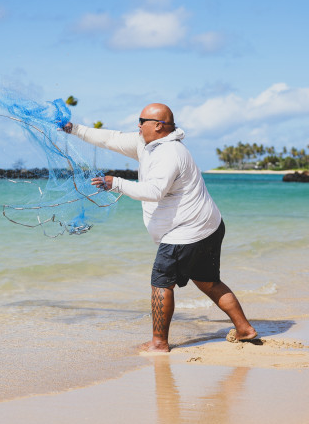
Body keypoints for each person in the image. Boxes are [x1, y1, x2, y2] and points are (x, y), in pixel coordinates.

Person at [63, 103, 257, 352]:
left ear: (158, 125)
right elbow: (110, 138)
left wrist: (116, 183)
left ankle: (159, 343)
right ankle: (244, 329)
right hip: (208, 225)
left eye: (142, 120)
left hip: (186, 231)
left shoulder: (169, 153)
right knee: (207, 281)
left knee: (161, 282)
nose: (138, 125)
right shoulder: (147, 144)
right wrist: (75, 129)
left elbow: (154, 191)